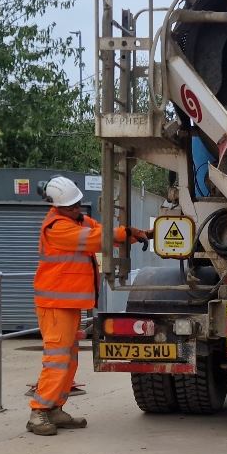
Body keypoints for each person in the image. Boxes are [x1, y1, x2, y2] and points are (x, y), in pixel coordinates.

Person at [27, 176, 148, 436]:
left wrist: (133, 233)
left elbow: (103, 232)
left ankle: (55, 408)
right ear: (57, 207)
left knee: (68, 360)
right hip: (55, 303)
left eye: (78, 204)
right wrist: (125, 233)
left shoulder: (75, 219)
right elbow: (96, 240)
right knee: (57, 359)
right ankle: (39, 412)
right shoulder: (57, 227)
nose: (77, 209)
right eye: (71, 206)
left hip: (66, 303)